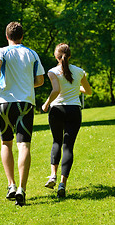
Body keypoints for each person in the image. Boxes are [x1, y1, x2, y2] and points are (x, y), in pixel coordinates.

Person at [0, 22, 45, 206]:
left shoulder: (1, 51)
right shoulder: (32, 53)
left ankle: (11, 185)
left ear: (7, 36)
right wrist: (27, 85)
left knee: (6, 143)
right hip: (25, 103)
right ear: (22, 36)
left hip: (4, 103)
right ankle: (22, 188)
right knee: (24, 145)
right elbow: (40, 80)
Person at [41, 43, 92, 198]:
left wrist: (46, 103)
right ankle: (62, 183)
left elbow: (56, 90)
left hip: (57, 110)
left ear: (56, 57)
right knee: (68, 146)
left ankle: (53, 176)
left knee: (56, 141)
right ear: (69, 56)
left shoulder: (52, 72)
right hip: (74, 111)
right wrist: (78, 88)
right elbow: (88, 91)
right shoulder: (79, 71)